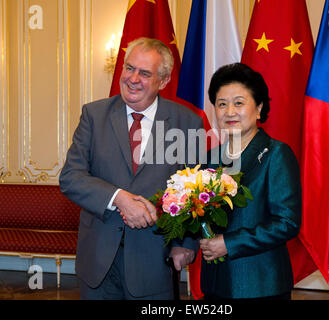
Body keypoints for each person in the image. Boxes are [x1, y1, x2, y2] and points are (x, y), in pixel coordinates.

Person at [59, 37, 204, 300]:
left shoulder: (187, 122)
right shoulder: (94, 114)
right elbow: (71, 177)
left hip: (155, 260)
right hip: (98, 262)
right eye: (129, 68)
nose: (133, 78)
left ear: (163, 81)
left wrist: (185, 243)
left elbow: (196, 191)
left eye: (145, 73)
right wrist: (119, 199)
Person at [199, 63, 302, 300]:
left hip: (261, 285)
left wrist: (229, 243)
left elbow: (286, 222)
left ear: (259, 108)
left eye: (239, 103)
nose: (229, 111)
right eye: (221, 104)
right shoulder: (211, 159)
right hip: (215, 283)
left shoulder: (276, 154)